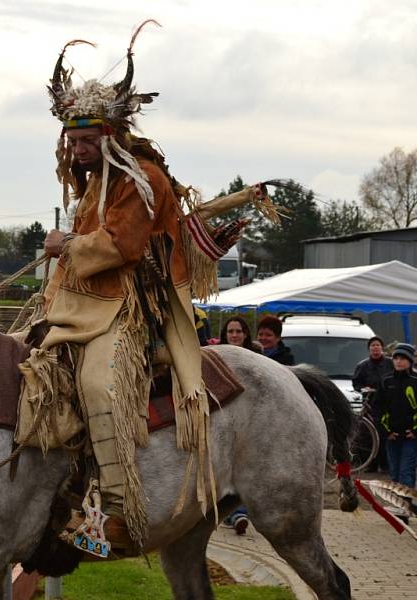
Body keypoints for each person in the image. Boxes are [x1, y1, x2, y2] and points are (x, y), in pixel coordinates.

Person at [19, 23, 281, 556]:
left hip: (132, 311)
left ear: (110, 135)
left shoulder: (142, 177)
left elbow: (122, 246)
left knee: (98, 383)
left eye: (88, 140)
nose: (79, 148)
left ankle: (116, 511)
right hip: (83, 305)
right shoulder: (97, 182)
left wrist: (67, 244)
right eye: (73, 139)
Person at [218, 316, 260, 534]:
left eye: (238, 331)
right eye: (231, 331)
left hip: (249, 424)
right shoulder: (217, 358)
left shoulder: (256, 359)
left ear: (245, 334)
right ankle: (234, 514)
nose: (234, 335)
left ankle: (238, 513)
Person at [352, 336, 394, 472]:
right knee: (369, 435)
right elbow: (356, 383)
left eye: (378, 346)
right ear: (369, 349)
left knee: (385, 433)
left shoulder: (391, 363)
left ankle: (386, 464)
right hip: (370, 404)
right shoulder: (362, 366)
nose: (375, 348)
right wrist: (364, 389)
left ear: (382, 348)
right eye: (373, 346)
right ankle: (371, 464)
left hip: (387, 404)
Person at [378, 343, 417, 489]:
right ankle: (397, 506)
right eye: (396, 358)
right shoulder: (386, 381)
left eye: (403, 358)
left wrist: (415, 431)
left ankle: (406, 507)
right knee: (394, 473)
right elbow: (378, 408)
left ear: (410, 361)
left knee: (406, 472)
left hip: (411, 437)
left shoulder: (415, 381)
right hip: (392, 436)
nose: (398, 361)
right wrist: (385, 432)